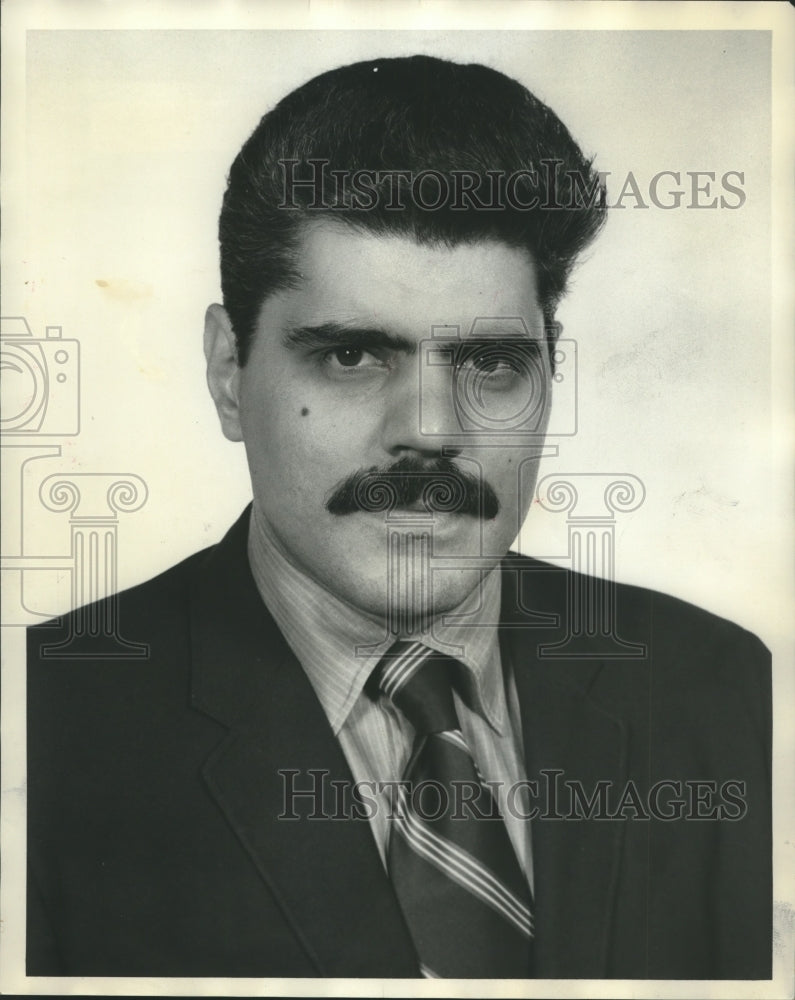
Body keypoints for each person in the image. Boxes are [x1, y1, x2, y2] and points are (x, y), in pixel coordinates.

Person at [26, 55, 771, 980]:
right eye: (351, 356)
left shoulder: (722, 692)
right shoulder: (44, 730)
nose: (431, 430)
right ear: (227, 373)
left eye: (490, 363)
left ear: (550, 372)